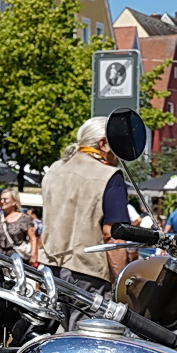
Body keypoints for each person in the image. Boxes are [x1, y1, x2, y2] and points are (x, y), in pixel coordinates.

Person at [38, 117, 129, 291]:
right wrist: (122, 285)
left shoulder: (54, 169)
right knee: (91, 320)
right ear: (103, 144)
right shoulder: (109, 175)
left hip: (48, 269)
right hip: (88, 275)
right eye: (117, 145)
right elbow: (113, 236)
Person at [0, 188, 39, 263]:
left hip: (18, 258)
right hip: (1, 258)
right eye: (1, 199)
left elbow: (33, 239)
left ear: (14, 202)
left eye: (5, 199)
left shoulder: (24, 218)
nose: (2, 202)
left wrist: (34, 256)